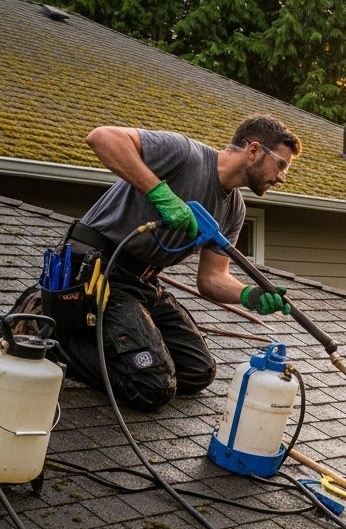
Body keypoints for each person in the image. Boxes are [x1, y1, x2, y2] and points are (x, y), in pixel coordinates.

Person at [26, 114, 301, 411]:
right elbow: (101, 137)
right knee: (151, 386)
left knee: (198, 370)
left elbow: (211, 279)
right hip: (95, 268)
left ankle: (112, 342)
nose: (282, 176)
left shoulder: (234, 209)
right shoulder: (186, 154)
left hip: (142, 282)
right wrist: (161, 195)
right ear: (254, 150)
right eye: (282, 165)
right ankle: (45, 328)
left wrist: (249, 295)